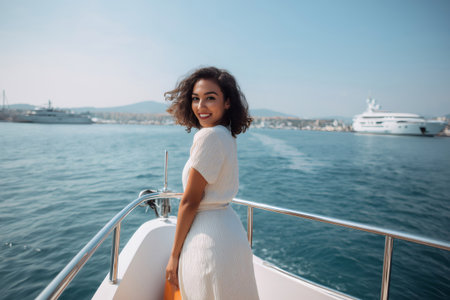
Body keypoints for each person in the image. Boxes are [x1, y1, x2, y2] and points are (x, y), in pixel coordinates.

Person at [164, 66, 260, 300]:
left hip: (207, 242)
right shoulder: (226, 135)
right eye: (196, 99)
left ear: (227, 102)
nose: (200, 106)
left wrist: (173, 256)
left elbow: (189, 200)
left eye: (210, 98)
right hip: (229, 234)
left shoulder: (209, 136)